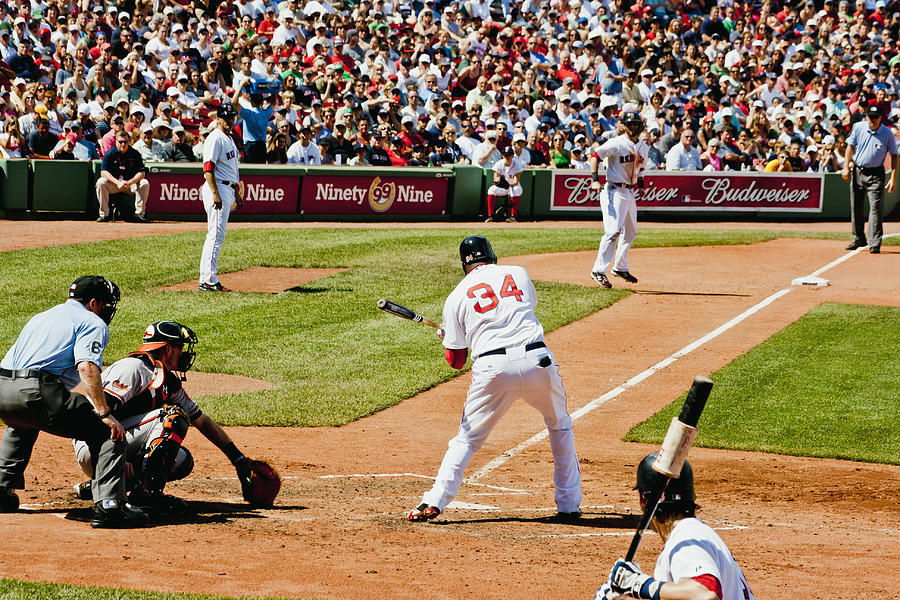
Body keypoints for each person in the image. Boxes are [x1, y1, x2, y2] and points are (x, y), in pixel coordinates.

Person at [407, 236, 582, 523]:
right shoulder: (518, 273)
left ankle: (434, 500)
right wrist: (457, 335)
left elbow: (457, 361)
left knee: (467, 439)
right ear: (492, 256)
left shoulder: (456, 296)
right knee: (560, 426)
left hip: (493, 369)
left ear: (464, 265)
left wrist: (449, 339)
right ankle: (569, 504)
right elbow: (517, 312)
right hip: (538, 361)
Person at [0, 276, 147, 529]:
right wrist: (104, 412)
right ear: (92, 302)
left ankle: (1, 491)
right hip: (36, 391)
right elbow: (87, 367)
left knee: (22, 423)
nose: (107, 309)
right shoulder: (92, 322)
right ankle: (111, 507)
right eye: (105, 304)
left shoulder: (43, 316)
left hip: (3, 391)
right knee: (109, 432)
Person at [72, 322, 263, 514]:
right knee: (172, 416)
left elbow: (201, 420)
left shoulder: (166, 380)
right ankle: (146, 494)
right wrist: (114, 456)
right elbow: (97, 415)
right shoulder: (134, 368)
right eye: (180, 347)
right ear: (168, 348)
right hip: (94, 446)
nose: (184, 354)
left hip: (117, 442)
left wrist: (239, 460)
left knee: (181, 460)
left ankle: (107, 485)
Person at [594, 453, 756, 600]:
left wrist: (639, 584)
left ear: (642, 500)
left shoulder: (686, 539)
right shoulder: (694, 533)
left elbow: (705, 595)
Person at [588, 111, 649, 289]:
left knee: (631, 231)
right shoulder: (617, 142)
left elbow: (641, 169)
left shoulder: (644, 147)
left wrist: (642, 186)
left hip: (629, 193)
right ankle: (598, 270)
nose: (632, 127)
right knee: (613, 231)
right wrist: (594, 180)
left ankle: (620, 267)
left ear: (640, 126)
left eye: (635, 124)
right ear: (624, 125)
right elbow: (595, 156)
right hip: (613, 189)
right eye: (629, 124)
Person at [842, 104, 898, 254]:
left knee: (875, 209)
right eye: (870, 117)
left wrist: (893, 177)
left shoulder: (887, 133)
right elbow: (849, 147)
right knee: (856, 206)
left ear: (880, 118)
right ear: (866, 116)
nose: (872, 120)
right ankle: (858, 237)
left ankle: (875, 243)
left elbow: (894, 155)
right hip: (858, 171)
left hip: (876, 174)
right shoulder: (859, 127)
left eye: (875, 117)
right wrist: (846, 167)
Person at [199, 103, 243, 292]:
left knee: (217, 235)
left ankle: (207, 278)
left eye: (232, 117)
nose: (230, 120)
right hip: (217, 188)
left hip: (227, 187)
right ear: (218, 119)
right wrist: (216, 193)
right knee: (215, 235)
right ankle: (208, 280)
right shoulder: (215, 138)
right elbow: (208, 168)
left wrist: (236, 192)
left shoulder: (228, 138)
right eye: (226, 117)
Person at [95, 130, 150, 222]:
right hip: (114, 184)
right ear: (116, 141)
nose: (123, 144)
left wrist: (129, 182)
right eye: (120, 142)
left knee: (144, 183)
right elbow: (103, 172)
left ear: (129, 142)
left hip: (129, 184)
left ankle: (139, 214)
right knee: (101, 182)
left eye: (125, 142)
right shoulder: (110, 153)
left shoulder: (135, 153)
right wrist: (117, 182)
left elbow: (142, 173)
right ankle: (104, 215)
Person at [486, 145, 523, 223]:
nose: (507, 157)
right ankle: (490, 216)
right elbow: (495, 179)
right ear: (502, 155)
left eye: (509, 155)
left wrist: (508, 185)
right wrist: (499, 181)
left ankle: (513, 216)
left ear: (513, 156)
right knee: (491, 190)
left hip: (513, 186)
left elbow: (516, 182)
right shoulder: (499, 164)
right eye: (505, 155)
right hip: (502, 187)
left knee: (516, 189)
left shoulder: (517, 164)